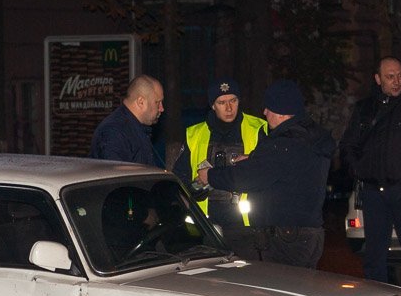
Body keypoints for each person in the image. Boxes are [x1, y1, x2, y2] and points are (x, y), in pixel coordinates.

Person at [197, 79, 334, 268]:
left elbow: (247, 178)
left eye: (269, 108)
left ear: (281, 111)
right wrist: (255, 159)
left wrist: (210, 176)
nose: (264, 112)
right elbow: (283, 167)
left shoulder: (283, 144)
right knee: (300, 285)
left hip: (287, 239)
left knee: (280, 286)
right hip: (308, 234)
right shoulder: (307, 137)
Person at [173, 77, 269, 259]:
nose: (229, 108)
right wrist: (195, 187)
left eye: (233, 100)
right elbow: (179, 179)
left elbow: (269, 171)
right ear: (212, 105)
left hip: (245, 226)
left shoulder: (258, 129)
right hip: (205, 226)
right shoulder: (194, 134)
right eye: (222, 102)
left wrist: (252, 160)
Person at [340, 56, 401, 287]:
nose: (397, 81)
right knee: (374, 254)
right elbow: (348, 145)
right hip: (374, 191)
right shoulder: (366, 109)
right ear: (378, 79)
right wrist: (359, 170)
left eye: (400, 76)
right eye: (390, 77)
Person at [89, 75, 165, 166]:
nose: (161, 108)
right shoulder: (114, 132)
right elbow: (116, 173)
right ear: (141, 102)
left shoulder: (134, 128)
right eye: (157, 102)